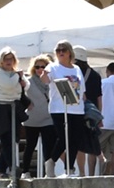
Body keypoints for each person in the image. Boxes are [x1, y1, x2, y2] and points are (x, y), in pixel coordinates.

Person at [46, 42, 86, 176]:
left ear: (69, 52)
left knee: (75, 140)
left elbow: (82, 89)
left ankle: (69, 168)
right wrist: (44, 74)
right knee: (64, 138)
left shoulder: (77, 68)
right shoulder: (53, 67)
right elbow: (45, 80)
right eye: (58, 50)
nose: (61, 52)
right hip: (59, 108)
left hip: (77, 108)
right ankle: (51, 161)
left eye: (63, 50)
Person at [0, 48, 24, 177]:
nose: (9, 61)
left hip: (14, 106)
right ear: (1, 60)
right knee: (6, 138)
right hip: (1, 107)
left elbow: (26, 85)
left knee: (12, 140)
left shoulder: (15, 72)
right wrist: (18, 76)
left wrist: (20, 79)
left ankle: (1, 171)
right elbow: (8, 84)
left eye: (11, 59)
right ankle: (13, 168)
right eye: (6, 59)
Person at [23, 54, 59, 175]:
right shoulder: (28, 81)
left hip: (48, 118)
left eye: (43, 67)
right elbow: (19, 94)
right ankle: (25, 171)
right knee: (30, 146)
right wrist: (27, 103)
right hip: (32, 118)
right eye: (37, 67)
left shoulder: (51, 81)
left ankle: (48, 172)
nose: (39, 69)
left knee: (48, 146)